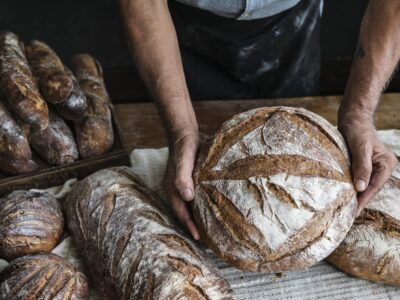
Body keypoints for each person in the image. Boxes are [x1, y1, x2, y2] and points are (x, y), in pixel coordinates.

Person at [119, 0, 399, 240]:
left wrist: (359, 115)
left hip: (292, 23)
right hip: (174, 33)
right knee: (195, 172)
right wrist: (180, 130)